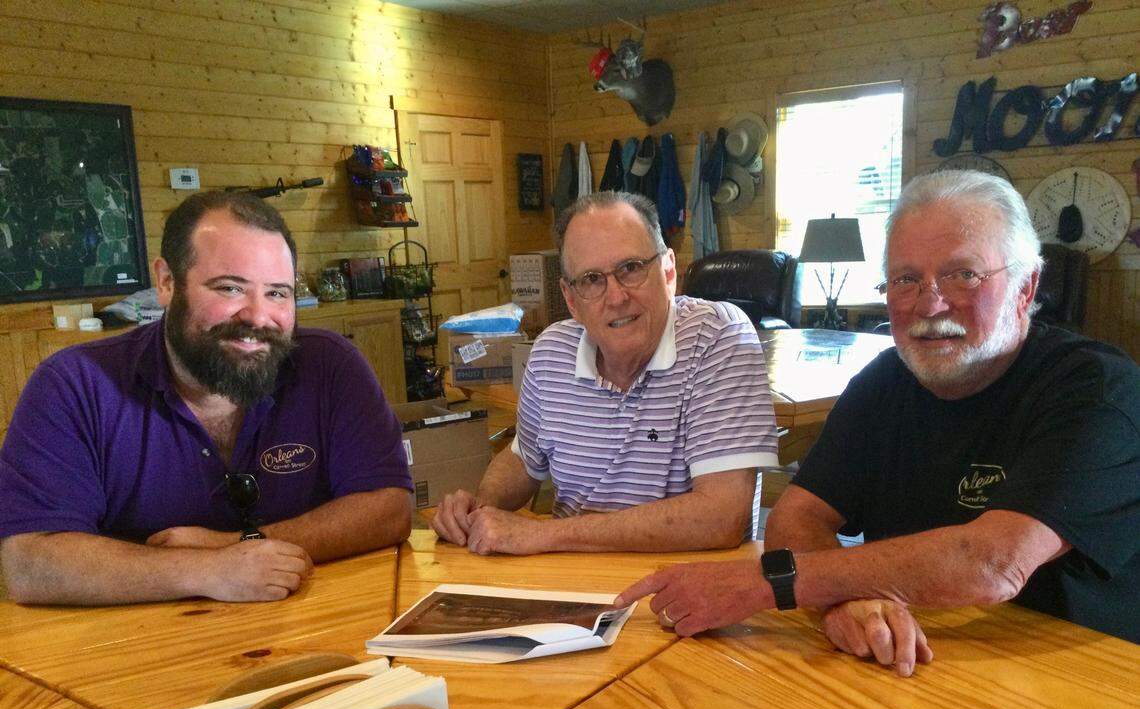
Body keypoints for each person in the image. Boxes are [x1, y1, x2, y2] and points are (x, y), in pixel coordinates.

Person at [615, 170, 1140, 673]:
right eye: (906, 279)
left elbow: (994, 563)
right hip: (905, 663)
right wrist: (845, 603)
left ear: (1026, 288)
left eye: (963, 274)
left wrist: (770, 584)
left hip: (1080, 677)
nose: (930, 303)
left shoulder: (1096, 389)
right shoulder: (887, 381)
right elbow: (796, 519)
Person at [0, 191, 413, 605]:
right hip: (134, 650)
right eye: (230, 288)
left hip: (313, 630)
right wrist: (209, 571)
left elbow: (390, 508)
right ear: (166, 282)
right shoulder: (76, 384)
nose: (257, 316)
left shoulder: (329, 365)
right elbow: (30, 561)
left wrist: (234, 544)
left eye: (277, 293)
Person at [432, 191, 778, 554]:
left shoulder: (719, 336)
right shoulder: (551, 351)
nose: (615, 297)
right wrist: (480, 510)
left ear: (669, 271)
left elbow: (721, 518)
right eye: (592, 279)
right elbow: (523, 458)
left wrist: (542, 535)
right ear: (570, 299)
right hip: (572, 581)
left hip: (686, 589)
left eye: (631, 268)